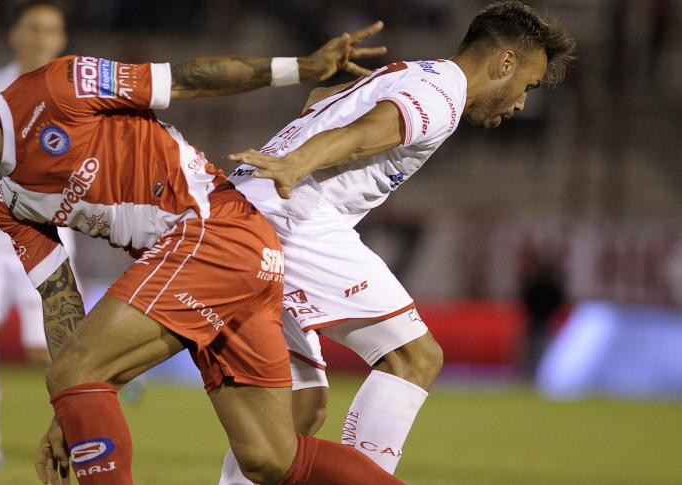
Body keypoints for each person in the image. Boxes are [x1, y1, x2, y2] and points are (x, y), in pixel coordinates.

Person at [0, 24, 413, 485]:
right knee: (270, 458)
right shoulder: (6, 200)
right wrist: (72, 408)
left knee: (77, 370)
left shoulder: (56, 88)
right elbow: (60, 299)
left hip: (214, 231)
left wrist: (301, 67)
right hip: (228, 261)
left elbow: (187, 79)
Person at [220, 1, 576, 481]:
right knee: (415, 357)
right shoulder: (441, 95)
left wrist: (300, 149)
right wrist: (300, 161)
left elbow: (321, 99)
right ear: (505, 62)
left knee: (299, 407)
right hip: (291, 217)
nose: (521, 103)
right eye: (527, 86)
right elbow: (370, 131)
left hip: (243, 209)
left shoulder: (412, 72)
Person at [0, 0, 74, 469]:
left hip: (48, 236)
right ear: (15, 35)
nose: (41, 37)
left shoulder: (74, 89)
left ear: (61, 39)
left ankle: (83, 424)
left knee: (46, 349)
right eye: (34, 27)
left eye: (51, 29)